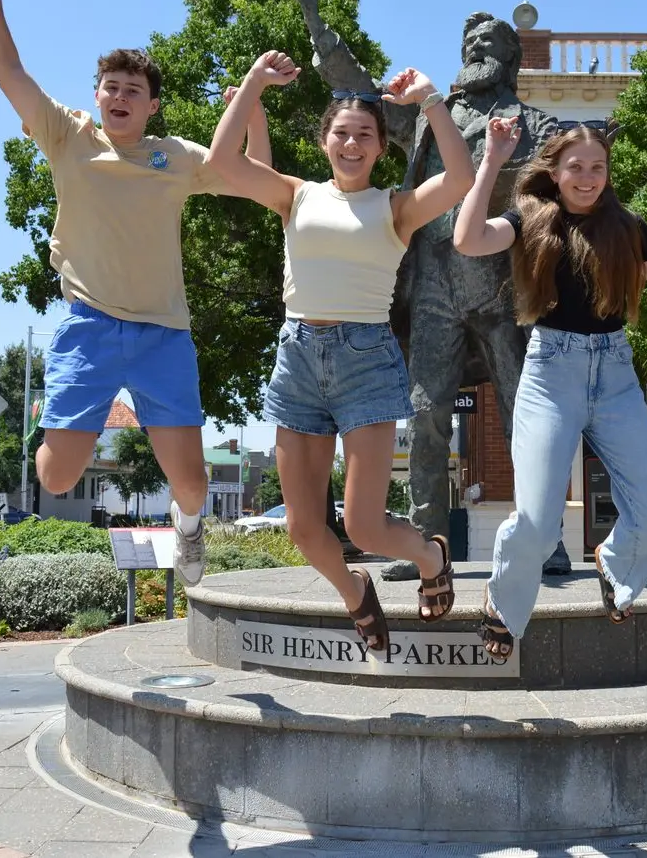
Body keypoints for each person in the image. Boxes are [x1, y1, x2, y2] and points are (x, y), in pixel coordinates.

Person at [0, 0, 271, 587]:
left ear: (151, 104)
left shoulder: (174, 157)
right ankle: (48, 418)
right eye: (110, 86)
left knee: (190, 483)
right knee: (55, 475)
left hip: (163, 336)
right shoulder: (66, 134)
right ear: (98, 94)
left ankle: (188, 529)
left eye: (132, 89)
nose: (119, 95)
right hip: (90, 329)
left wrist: (250, 111)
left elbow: (253, 175)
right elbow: (7, 70)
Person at [293, 0, 575, 577]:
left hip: (501, 289)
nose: (477, 51)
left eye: (490, 44)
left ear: (508, 60)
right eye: (469, 43)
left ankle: (544, 536)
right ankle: (424, 538)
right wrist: (320, 31)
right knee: (425, 413)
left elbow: (572, 166)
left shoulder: (531, 124)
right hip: (434, 291)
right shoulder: (427, 115)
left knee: (526, 415)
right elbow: (360, 91)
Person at [203, 52, 474, 652]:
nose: (352, 144)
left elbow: (459, 179)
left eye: (365, 136)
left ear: (380, 148)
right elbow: (224, 164)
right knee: (302, 527)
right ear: (325, 140)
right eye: (342, 133)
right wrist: (253, 86)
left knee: (365, 524)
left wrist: (431, 100)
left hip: (366, 360)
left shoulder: (394, 209)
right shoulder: (295, 196)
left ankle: (432, 554)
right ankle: (355, 593)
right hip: (298, 359)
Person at [452, 118, 647, 660]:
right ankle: (503, 608)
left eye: (597, 167)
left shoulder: (627, 225)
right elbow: (468, 239)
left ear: (607, 173)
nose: (587, 177)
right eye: (575, 167)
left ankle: (614, 560)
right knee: (535, 522)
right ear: (554, 172)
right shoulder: (532, 217)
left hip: (616, 374)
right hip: (550, 373)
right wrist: (492, 159)